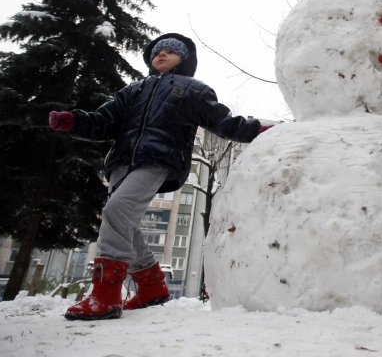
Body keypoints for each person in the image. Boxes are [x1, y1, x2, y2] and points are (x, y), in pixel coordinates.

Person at [49, 33, 270, 320]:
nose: (161, 54)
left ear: (185, 59)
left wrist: (258, 130)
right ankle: (151, 285)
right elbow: (104, 122)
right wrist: (75, 121)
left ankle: (105, 295)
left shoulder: (193, 90)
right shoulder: (132, 91)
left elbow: (223, 122)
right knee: (124, 222)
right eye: (157, 51)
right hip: (120, 162)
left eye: (170, 51)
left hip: (157, 159)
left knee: (117, 210)